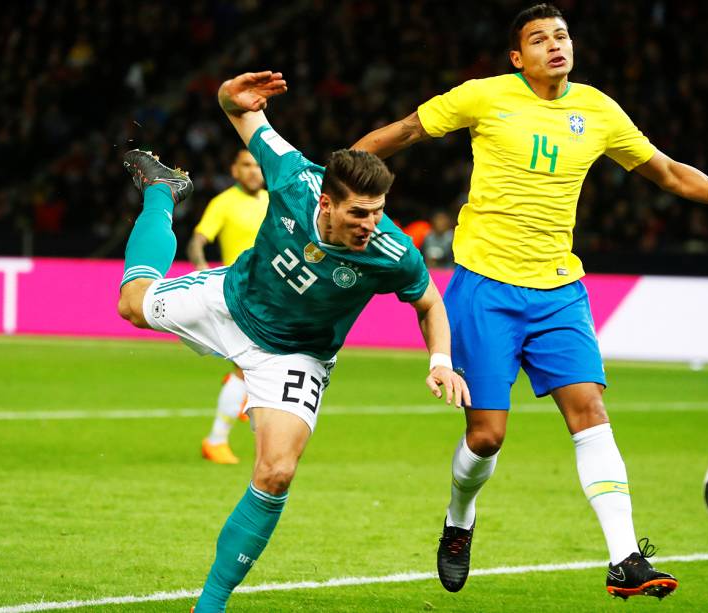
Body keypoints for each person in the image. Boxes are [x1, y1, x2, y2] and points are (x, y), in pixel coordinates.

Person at [352, 3, 708, 600]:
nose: (554, 46)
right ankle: (459, 520)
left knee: (590, 411)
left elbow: (664, 170)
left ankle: (625, 560)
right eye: (539, 40)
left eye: (561, 36)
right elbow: (404, 131)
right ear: (518, 57)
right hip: (485, 287)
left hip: (561, 289)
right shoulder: (483, 96)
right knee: (486, 437)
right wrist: (337, 180)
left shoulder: (599, 109)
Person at [116, 70, 470, 613]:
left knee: (276, 473)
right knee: (132, 304)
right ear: (325, 201)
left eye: (378, 212)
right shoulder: (292, 176)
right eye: (358, 213)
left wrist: (440, 360)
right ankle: (163, 193)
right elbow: (240, 112)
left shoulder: (393, 252)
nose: (370, 225)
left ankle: (208, 606)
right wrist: (230, 97)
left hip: (296, 355)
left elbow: (428, 303)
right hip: (230, 302)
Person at [188, 149, 269, 465]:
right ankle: (216, 440)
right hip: (239, 293)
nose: (253, 171)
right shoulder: (223, 202)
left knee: (259, 364)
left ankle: (240, 393)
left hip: (270, 295)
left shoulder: (271, 201)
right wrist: (201, 269)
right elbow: (197, 240)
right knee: (246, 366)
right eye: (246, 166)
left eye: (257, 166)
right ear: (234, 171)